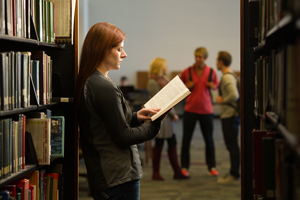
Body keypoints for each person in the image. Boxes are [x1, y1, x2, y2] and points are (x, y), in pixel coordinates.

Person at [75, 22, 170, 200]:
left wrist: (136, 117)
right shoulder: (103, 86)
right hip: (117, 176)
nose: (124, 55)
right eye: (119, 49)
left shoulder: (92, 81)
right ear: (103, 49)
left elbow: (107, 123)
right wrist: (156, 124)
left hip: (107, 175)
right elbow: (122, 137)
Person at [147, 57, 190, 180]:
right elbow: (160, 102)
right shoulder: (153, 82)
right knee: (162, 143)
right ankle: (158, 173)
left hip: (167, 117)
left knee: (170, 143)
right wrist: (173, 114)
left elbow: (169, 100)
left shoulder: (163, 80)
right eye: (165, 66)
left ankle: (176, 171)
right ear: (160, 68)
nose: (167, 68)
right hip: (161, 117)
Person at [180, 47, 219, 177]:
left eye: (200, 57)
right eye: (196, 56)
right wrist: (186, 86)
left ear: (205, 58)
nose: (198, 59)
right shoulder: (187, 72)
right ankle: (184, 167)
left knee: (209, 140)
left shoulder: (211, 72)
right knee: (186, 140)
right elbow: (178, 88)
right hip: (190, 109)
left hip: (206, 110)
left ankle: (211, 167)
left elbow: (216, 84)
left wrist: (213, 86)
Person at [215, 51, 240, 184]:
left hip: (230, 116)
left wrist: (222, 100)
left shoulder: (227, 77)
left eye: (217, 60)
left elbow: (234, 95)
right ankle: (232, 172)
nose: (215, 63)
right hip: (230, 115)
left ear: (221, 62)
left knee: (232, 146)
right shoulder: (230, 75)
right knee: (232, 145)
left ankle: (234, 174)